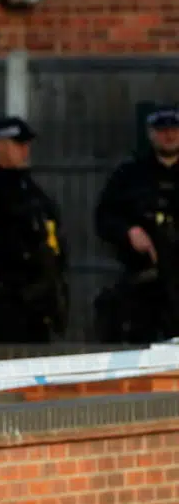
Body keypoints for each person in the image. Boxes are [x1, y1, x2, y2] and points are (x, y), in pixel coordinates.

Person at [94, 106, 179, 344]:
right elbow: (104, 218)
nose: (169, 135)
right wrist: (129, 231)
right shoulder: (129, 175)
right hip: (143, 288)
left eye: (174, 129)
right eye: (162, 130)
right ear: (151, 134)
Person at [0, 116, 68, 344]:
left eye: (26, 145)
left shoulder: (31, 189)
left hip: (38, 301)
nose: (25, 151)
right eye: (18, 144)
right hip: (7, 300)